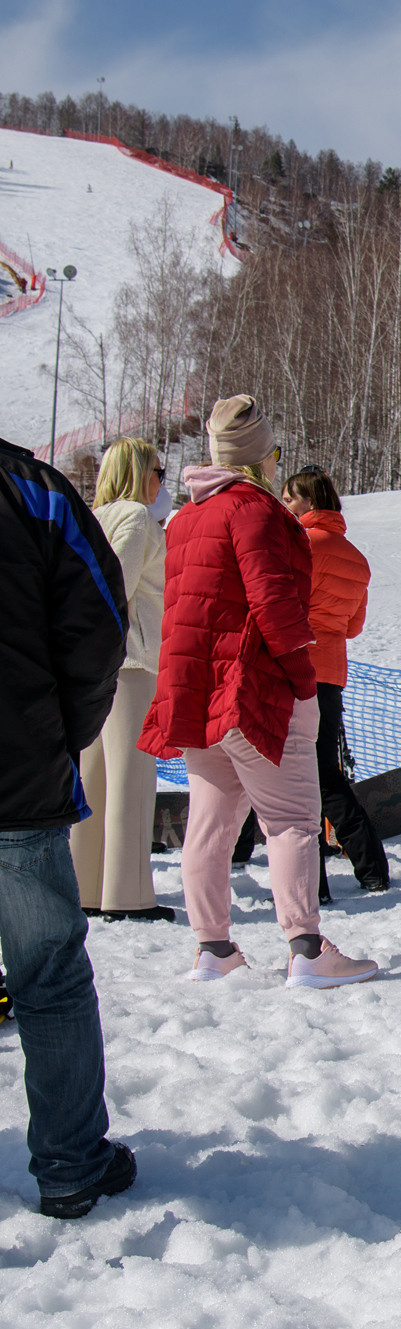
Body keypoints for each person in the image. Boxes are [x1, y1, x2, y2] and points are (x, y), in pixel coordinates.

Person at [140, 396, 378, 988]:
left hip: (199, 690)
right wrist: (301, 680)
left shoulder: (186, 518)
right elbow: (275, 607)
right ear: (259, 458)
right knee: (293, 820)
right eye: (272, 453)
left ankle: (213, 949)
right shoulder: (256, 512)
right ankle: (306, 948)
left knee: (210, 827)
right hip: (253, 688)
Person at [0, 432, 138, 1218]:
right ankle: (70, 1160)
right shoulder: (34, 490)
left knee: (47, 971)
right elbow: (96, 627)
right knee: (48, 976)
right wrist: (63, 732)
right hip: (18, 774)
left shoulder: (42, 492)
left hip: (24, 767)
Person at [73, 437, 172, 921]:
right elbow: (117, 588)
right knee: (132, 781)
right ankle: (128, 896)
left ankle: (88, 887)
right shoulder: (135, 518)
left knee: (95, 780)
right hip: (131, 663)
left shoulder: (96, 517)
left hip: (98, 665)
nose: (162, 480)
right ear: (138, 472)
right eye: (158, 470)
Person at [281, 468, 390, 899]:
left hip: (292, 667)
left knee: (291, 775)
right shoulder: (356, 556)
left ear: (307, 502)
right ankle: (371, 867)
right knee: (326, 772)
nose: (285, 505)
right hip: (330, 672)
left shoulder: (299, 543)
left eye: (290, 498)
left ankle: (310, 882)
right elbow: (354, 625)